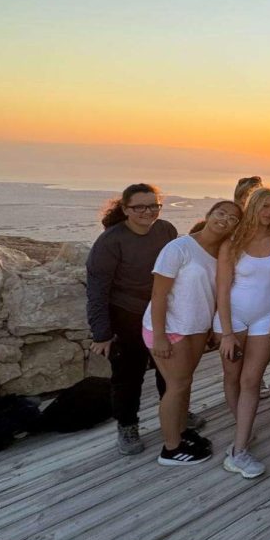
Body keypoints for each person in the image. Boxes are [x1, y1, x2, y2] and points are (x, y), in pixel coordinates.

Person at [143, 200, 242, 466]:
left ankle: (181, 432)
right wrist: (161, 336)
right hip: (170, 329)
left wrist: (211, 328)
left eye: (232, 218)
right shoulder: (180, 247)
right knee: (176, 387)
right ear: (209, 214)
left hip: (196, 328)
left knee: (185, 383)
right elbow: (158, 294)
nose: (224, 219)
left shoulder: (221, 253)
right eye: (220, 213)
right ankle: (171, 449)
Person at [86, 184, 178, 456]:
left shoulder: (166, 230)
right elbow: (97, 289)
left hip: (162, 311)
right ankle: (127, 427)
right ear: (125, 209)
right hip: (127, 314)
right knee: (128, 376)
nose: (147, 212)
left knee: (169, 369)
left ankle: (174, 415)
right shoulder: (111, 241)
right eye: (140, 207)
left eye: (153, 206)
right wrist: (101, 333)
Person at [214, 188, 270, 478]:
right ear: (254, 206)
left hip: (265, 318)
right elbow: (222, 290)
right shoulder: (232, 242)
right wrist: (227, 333)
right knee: (232, 377)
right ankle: (242, 430)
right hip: (232, 317)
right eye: (265, 206)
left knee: (251, 380)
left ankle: (238, 451)